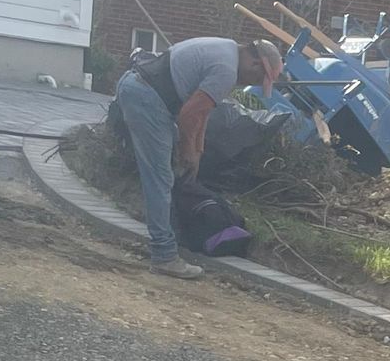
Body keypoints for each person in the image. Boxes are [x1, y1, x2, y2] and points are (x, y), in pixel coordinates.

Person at [114, 35, 282, 278]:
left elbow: (201, 111)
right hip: (147, 97)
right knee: (160, 178)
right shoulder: (225, 70)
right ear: (255, 64)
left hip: (140, 88)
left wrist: (198, 148)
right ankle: (164, 255)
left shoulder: (224, 49)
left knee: (163, 173)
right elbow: (188, 115)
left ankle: (169, 234)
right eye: (257, 78)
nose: (252, 82)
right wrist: (187, 149)